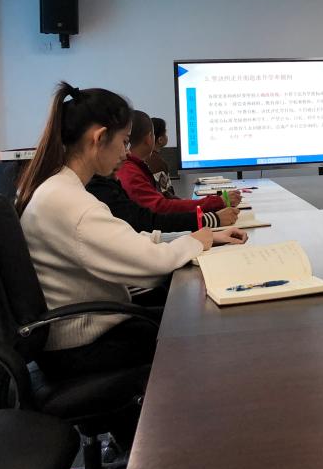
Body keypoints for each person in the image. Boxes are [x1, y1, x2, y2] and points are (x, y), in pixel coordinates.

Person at [15, 83, 247, 383]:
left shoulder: (56, 188)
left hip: (73, 335)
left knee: (186, 313)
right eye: (124, 142)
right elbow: (151, 266)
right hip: (84, 347)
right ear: (99, 137)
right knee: (205, 326)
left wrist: (197, 239)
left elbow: (126, 241)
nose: (126, 154)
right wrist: (195, 241)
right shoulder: (72, 203)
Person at [117, 111, 240, 222]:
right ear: (149, 138)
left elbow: (165, 200)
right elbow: (161, 207)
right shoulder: (131, 172)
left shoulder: (136, 167)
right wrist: (214, 207)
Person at [88, 166, 227, 233]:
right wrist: (208, 218)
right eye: (124, 142)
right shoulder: (129, 172)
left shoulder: (113, 178)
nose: (126, 153)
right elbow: (157, 212)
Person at [145, 116, 174, 197]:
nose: (167, 136)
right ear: (160, 140)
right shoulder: (158, 163)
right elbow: (166, 195)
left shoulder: (145, 158)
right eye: (165, 133)